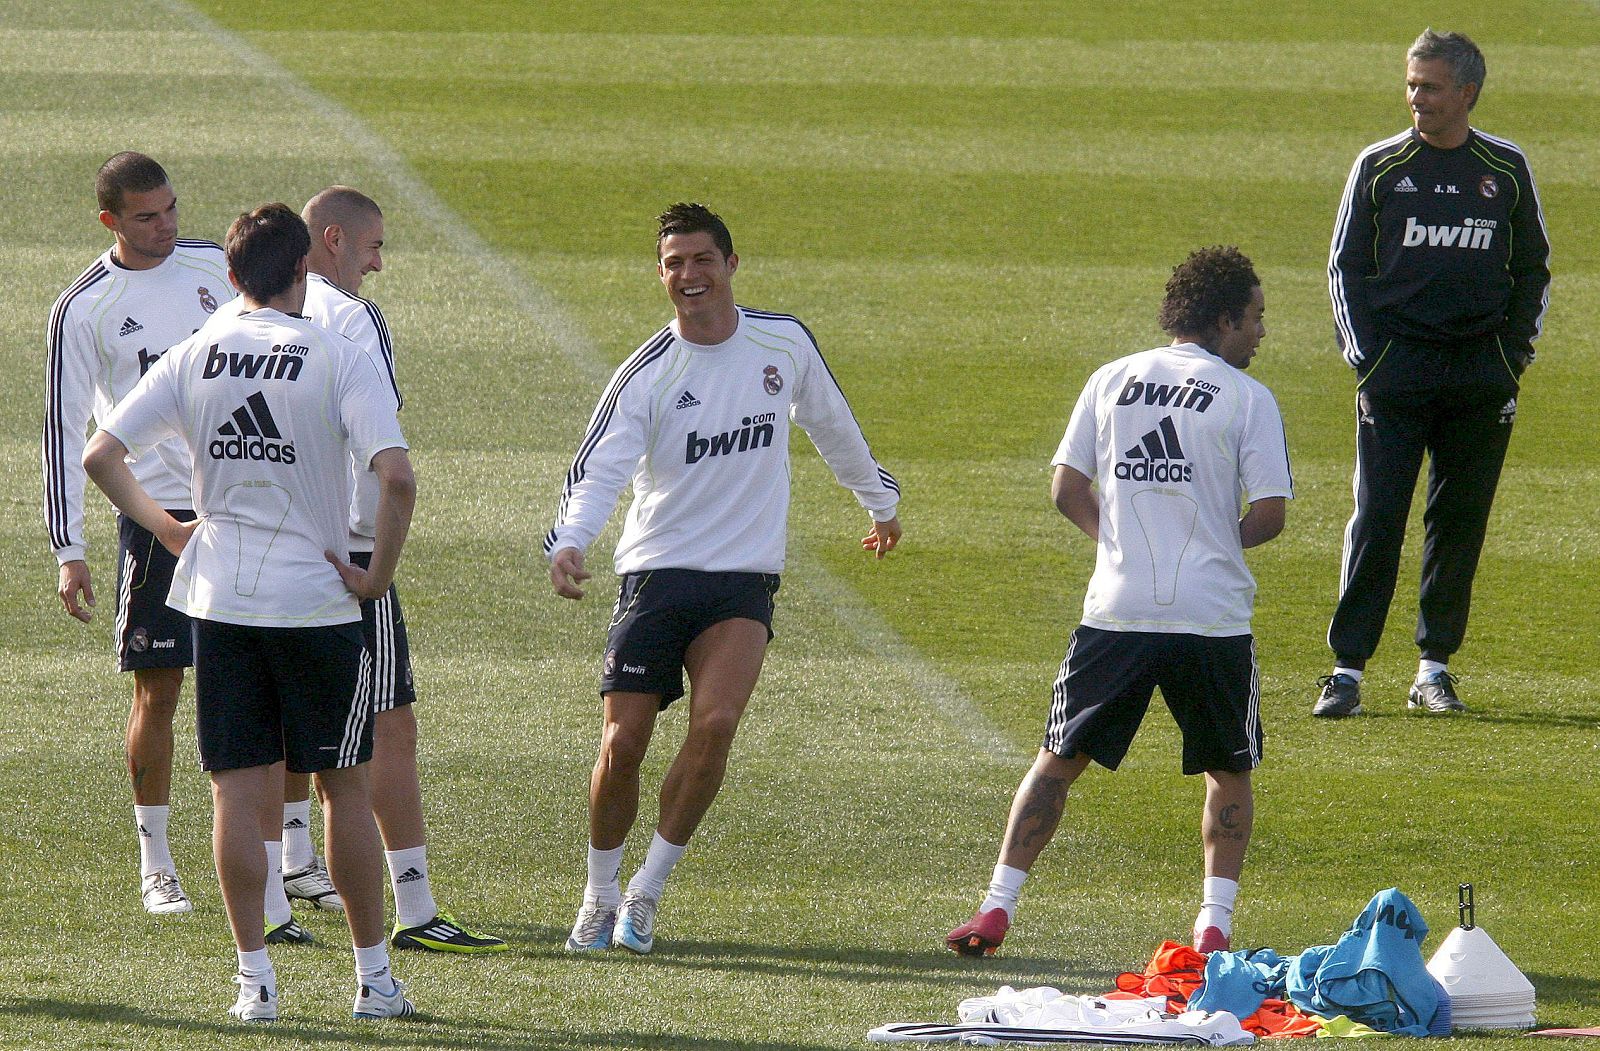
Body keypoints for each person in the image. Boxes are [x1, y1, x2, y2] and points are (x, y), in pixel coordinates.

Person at [83, 203, 418, 1022]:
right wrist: (377, 574)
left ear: (229, 277)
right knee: (344, 784)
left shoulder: (196, 351)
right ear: (304, 269)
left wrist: (166, 526)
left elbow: (101, 453)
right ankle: (373, 980)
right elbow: (397, 477)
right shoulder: (339, 352)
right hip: (317, 602)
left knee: (237, 793)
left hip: (220, 601)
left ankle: (253, 982)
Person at [546, 202, 902, 954]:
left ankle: (646, 890)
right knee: (624, 742)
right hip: (655, 573)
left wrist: (880, 501)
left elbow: (832, 422)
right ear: (661, 275)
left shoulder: (784, 343)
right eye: (674, 263)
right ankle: (598, 892)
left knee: (714, 725)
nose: (689, 275)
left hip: (742, 578)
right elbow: (599, 465)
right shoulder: (647, 371)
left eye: (702, 259)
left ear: (731, 266)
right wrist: (572, 540)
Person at [946, 247, 1292, 958]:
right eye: (1256, 318)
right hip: (1211, 616)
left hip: (1118, 609)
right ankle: (1213, 927)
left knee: (1056, 759)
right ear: (1224, 318)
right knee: (1228, 769)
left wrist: (1118, 543)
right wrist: (1212, 544)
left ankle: (995, 908)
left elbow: (1065, 488)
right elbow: (1272, 512)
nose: (1262, 332)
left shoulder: (1111, 379)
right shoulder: (1246, 397)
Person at [265, 186, 504, 951]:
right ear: (332, 240)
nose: (378, 263)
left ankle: (275, 899)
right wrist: (378, 560)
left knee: (271, 732)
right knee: (385, 732)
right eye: (373, 247)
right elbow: (383, 455)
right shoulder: (352, 318)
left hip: (269, 546)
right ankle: (414, 910)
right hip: (351, 555)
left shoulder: (245, 320)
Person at [1317, 28, 1550, 718]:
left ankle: (1432, 670)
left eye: (1430, 86)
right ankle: (1347, 670)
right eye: (1411, 84)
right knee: (1378, 517)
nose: (1415, 97)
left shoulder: (1504, 169)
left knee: (1459, 522)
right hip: (1399, 370)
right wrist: (1371, 358)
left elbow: (1532, 266)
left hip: (1481, 371)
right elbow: (1345, 266)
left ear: (1467, 93)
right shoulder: (1381, 166)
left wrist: (1511, 357)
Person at [43, 152, 234, 915]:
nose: (166, 226)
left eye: (172, 209)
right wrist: (70, 548)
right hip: (157, 518)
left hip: (242, 502)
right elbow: (63, 430)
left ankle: (293, 853)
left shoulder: (216, 268)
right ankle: (156, 861)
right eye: (147, 216)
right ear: (110, 221)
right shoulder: (83, 306)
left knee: (269, 673)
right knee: (161, 689)